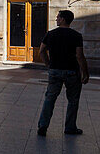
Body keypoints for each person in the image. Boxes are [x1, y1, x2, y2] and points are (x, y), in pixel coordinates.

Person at [37, 9, 89, 137]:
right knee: (73, 100)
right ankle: (70, 127)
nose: (56, 19)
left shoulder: (50, 34)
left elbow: (42, 51)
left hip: (55, 70)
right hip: (72, 71)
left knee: (50, 99)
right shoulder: (76, 36)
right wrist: (85, 72)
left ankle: (43, 125)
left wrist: (48, 65)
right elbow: (79, 56)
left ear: (63, 19)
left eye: (58, 17)